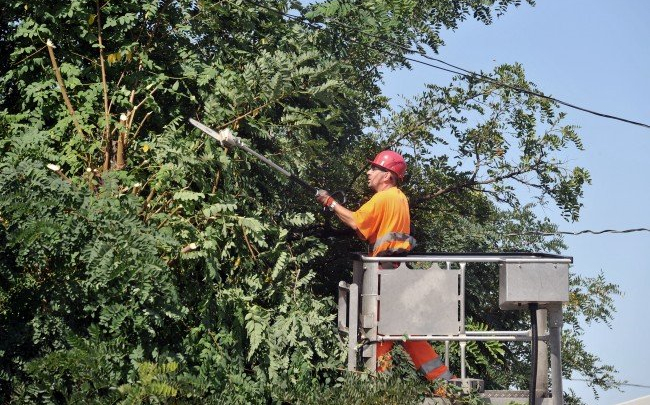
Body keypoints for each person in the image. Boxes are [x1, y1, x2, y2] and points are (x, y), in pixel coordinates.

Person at [316, 150, 453, 381]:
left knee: (382, 329)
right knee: (397, 329)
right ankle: (442, 384)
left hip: (384, 272)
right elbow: (365, 231)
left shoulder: (384, 198)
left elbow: (355, 221)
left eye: (374, 169)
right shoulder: (399, 198)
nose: (369, 172)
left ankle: (382, 386)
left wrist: (330, 202)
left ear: (388, 176)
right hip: (394, 270)